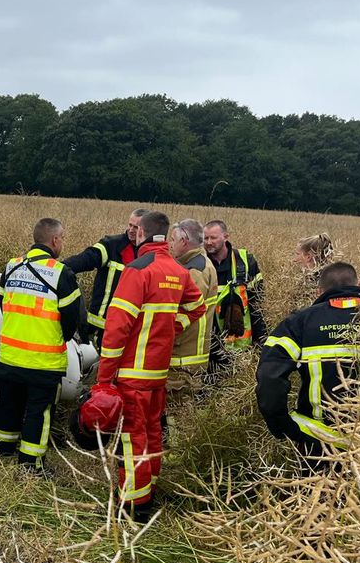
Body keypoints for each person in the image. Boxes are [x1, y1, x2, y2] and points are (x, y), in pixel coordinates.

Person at [94, 211, 205, 521]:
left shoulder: (138, 270)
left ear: (141, 233)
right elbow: (198, 307)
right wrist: (172, 328)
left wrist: (104, 379)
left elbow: (116, 330)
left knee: (132, 440)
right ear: (166, 236)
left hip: (131, 374)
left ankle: (133, 506)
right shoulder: (178, 270)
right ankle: (148, 493)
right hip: (158, 374)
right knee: (153, 434)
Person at [256, 262, 360, 471]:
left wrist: (283, 427)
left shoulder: (300, 322)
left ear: (320, 291)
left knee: (318, 500)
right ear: (359, 284)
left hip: (317, 443)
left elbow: (269, 378)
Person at [0, 218, 83, 472]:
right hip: (44, 361)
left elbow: (2, 303)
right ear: (54, 240)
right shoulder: (60, 273)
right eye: (62, 238)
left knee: (8, 404)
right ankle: (30, 464)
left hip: (10, 356)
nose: (62, 242)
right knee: (38, 413)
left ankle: (2, 450)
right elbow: (71, 321)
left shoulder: (11, 266)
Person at [62, 208, 148, 346]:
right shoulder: (111, 245)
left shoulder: (149, 254)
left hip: (131, 330)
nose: (131, 230)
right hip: (100, 328)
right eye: (130, 225)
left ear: (145, 230)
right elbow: (87, 258)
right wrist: (59, 268)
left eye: (136, 227)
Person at [167, 219, 218, 404]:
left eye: (173, 239)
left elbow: (182, 312)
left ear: (184, 241)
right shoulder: (201, 263)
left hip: (184, 358)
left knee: (176, 415)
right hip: (190, 354)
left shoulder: (194, 271)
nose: (170, 244)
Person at [204, 220, 268, 364]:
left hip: (240, 348)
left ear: (226, 237)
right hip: (209, 348)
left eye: (213, 238)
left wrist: (261, 343)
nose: (208, 242)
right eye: (205, 238)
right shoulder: (200, 264)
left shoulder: (245, 262)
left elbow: (257, 305)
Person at [291, 233, 336, 312]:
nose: (294, 259)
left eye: (297, 254)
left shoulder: (311, 283)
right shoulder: (335, 277)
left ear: (308, 257)